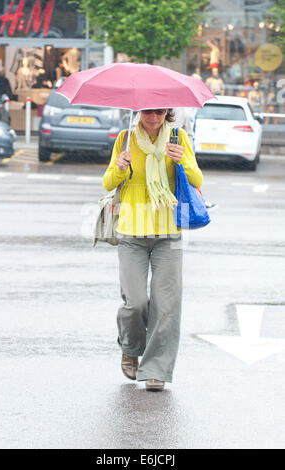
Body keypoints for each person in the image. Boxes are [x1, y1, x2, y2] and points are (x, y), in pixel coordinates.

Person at [102, 109, 203, 391]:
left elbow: (197, 180)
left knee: (166, 305)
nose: (153, 117)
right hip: (131, 233)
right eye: (148, 111)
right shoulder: (125, 139)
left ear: (167, 113)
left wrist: (180, 158)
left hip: (168, 233)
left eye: (159, 112)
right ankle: (131, 348)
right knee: (135, 302)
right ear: (140, 112)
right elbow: (108, 182)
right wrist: (120, 167)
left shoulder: (177, 137)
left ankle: (157, 369)